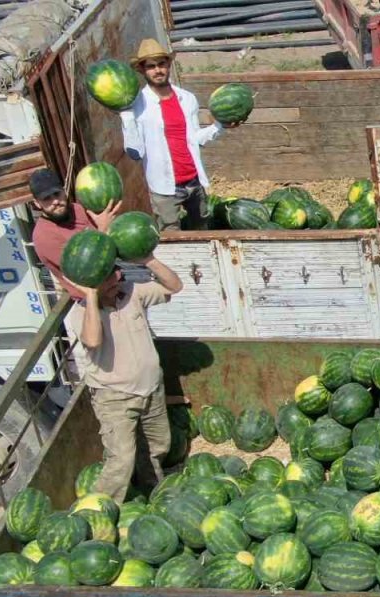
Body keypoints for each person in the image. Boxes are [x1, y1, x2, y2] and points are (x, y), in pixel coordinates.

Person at [64, 255, 184, 503]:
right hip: (114, 398)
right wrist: (91, 296)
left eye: (116, 272)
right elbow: (93, 340)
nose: (117, 279)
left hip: (151, 389)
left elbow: (175, 286)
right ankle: (98, 511)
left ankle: (151, 490)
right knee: (121, 461)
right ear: (91, 284)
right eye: (108, 278)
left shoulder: (132, 293)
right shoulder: (80, 313)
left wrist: (149, 260)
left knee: (159, 445)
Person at [120, 38, 239, 231]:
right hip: (164, 186)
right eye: (151, 66)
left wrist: (220, 125)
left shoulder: (187, 98)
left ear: (168, 64)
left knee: (202, 230)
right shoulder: (137, 105)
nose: (158, 70)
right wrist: (126, 116)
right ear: (142, 70)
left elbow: (195, 139)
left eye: (161, 64)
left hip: (194, 180)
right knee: (171, 235)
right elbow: (136, 152)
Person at [28, 167, 123, 300]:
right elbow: (85, 270)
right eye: (46, 199)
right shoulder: (43, 236)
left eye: (57, 194)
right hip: (97, 300)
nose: (55, 201)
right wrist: (102, 230)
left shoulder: (77, 209)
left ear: (64, 191)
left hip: (118, 282)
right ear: (37, 203)